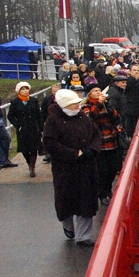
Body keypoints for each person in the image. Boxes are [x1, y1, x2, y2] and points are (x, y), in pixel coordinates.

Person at [43, 89, 102, 247]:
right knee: (66, 199)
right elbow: (50, 143)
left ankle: (84, 236)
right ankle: (67, 224)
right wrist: (74, 153)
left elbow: (96, 134)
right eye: (73, 103)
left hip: (86, 167)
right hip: (65, 169)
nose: (77, 105)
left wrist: (92, 149)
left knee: (87, 201)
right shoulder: (53, 121)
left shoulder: (83, 117)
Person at [81, 84, 122, 205]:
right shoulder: (86, 107)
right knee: (102, 171)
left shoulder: (105, 104)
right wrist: (98, 105)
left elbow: (116, 117)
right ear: (89, 94)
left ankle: (108, 189)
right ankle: (102, 194)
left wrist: (108, 107)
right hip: (98, 143)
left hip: (111, 141)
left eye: (99, 90)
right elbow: (90, 118)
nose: (99, 92)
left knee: (113, 169)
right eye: (95, 91)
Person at [7, 82, 43, 177]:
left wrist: (41, 127)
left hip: (34, 128)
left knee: (34, 148)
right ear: (19, 91)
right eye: (23, 89)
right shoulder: (15, 102)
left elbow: (38, 115)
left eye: (26, 89)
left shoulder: (33, 100)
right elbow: (10, 116)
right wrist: (18, 125)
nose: (25, 91)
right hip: (22, 129)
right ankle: (28, 162)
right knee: (24, 149)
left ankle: (32, 167)